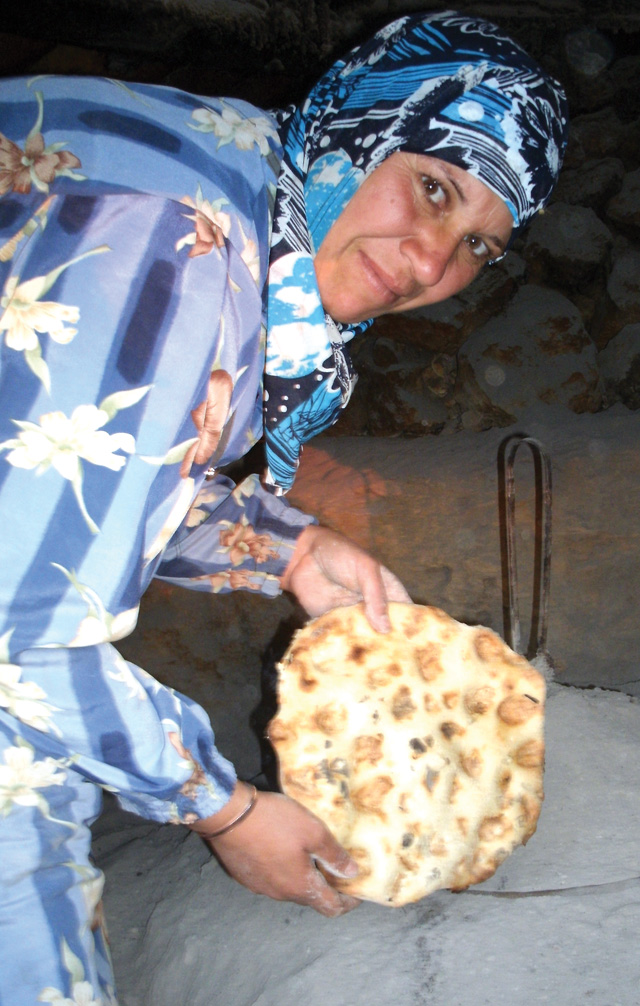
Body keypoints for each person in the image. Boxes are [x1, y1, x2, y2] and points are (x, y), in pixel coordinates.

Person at [0, 10, 568, 1004]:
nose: (432, 262)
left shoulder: (223, 179)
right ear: (361, 122)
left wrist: (289, 550)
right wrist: (224, 811)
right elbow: (22, 636)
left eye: (478, 242)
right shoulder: (180, 239)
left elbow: (63, 485)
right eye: (430, 186)